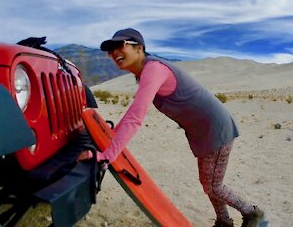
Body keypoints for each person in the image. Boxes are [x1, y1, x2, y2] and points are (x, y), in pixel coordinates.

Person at [78, 28, 265, 227]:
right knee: (209, 184)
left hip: (216, 128)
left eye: (120, 46)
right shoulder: (145, 73)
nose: (114, 53)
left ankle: (253, 213)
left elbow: (136, 116)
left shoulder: (154, 69)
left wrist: (107, 155)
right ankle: (224, 221)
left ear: (140, 48)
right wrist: (111, 138)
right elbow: (133, 111)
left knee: (213, 185)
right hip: (202, 132)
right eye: (110, 50)